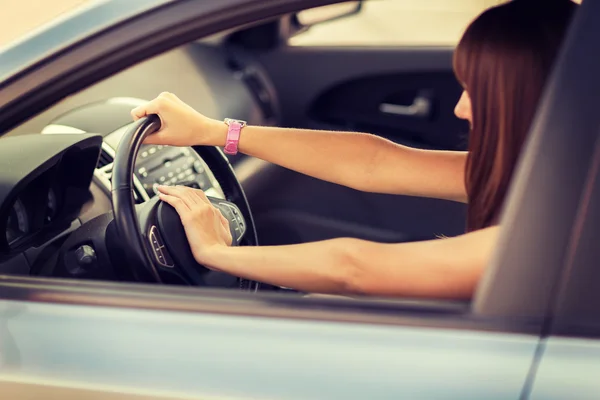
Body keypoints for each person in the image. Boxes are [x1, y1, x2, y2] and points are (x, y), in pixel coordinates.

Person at [131, 0, 577, 300]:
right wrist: (215, 131)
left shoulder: (570, 221)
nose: (460, 109)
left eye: (476, 91)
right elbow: (377, 162)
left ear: (532, 97)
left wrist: (216, 253)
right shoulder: (554, 175)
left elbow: (355, 267)